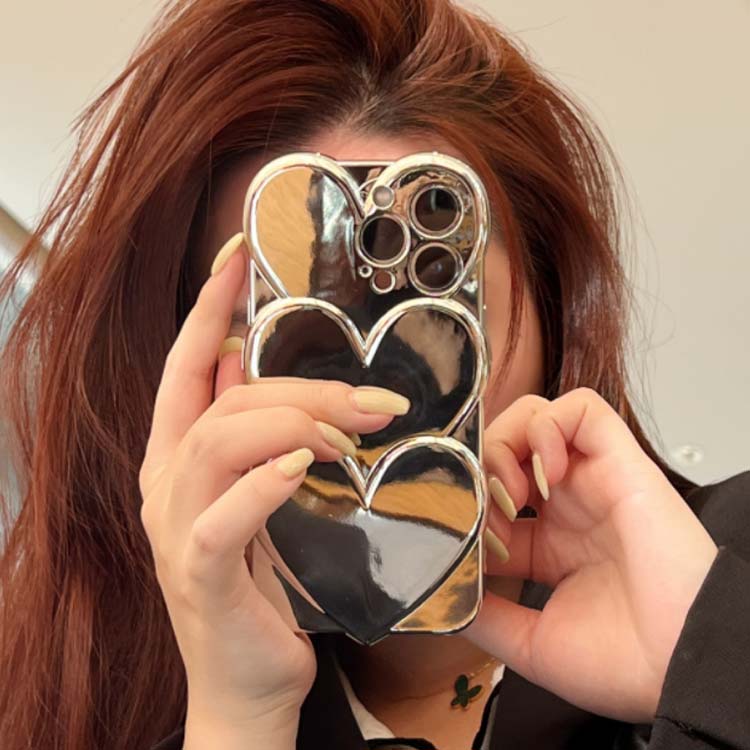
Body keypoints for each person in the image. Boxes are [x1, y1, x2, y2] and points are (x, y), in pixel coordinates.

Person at [1, 1, 748, 749]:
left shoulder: (728, 571)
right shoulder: (117, 705)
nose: (368, 397)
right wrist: (239, 719)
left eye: (433, 314)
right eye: (287, 335)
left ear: (550, 304)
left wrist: (711, 666)